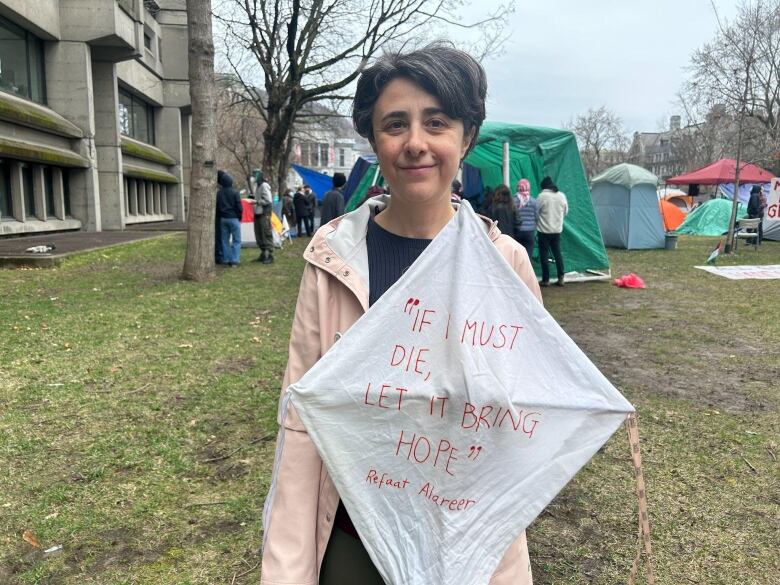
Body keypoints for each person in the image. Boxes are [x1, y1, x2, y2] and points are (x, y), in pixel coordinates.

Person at [261, 43, 539, 585]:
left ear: (466, 137)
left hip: (463, 550)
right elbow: (301, 422)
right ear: (374, 140)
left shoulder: (506, 265)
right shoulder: (333, 258)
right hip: (352, 545)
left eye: (436, 122)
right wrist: (287, 569)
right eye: (396, 124)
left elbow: (520, 428)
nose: (416, 143)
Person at [536, 176, 568, 286]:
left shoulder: (542, 196)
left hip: (543, 231)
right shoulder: (561, 196)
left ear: (543, 186)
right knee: (557, 253)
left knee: (544, 255)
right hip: (557, 230)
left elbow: (536, 212)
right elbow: (565, 211)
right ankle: (561, 277)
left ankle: (546, 279)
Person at [216, 171, 243, 266]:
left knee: (225, 240)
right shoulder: (235, 192)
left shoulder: (218, 193)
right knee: (237, 240)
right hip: (234, 218)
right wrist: (240, 217)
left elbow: (218, 207)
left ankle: (226, 259)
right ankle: (234, 260)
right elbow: (239, 207)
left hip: (223, 219)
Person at [253, 170, 275, 264]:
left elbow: (268, 200)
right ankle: (263, 254)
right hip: (258, 213)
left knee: (266, 233)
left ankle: (269, 255)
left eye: (255, 175)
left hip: (264, 213)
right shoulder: (258, 185)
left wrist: (257, 202)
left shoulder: (264, 185)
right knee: (259, 234)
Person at [514, 178, 539, 258]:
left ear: (518, 187)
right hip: (530, 232)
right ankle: (528, 269)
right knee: (528, 254)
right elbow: (537, 216)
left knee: (518, 255)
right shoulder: (534, 201)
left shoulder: (513, 201)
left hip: (517, 231)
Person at [215, 170, 226, 264]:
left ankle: (219, 255)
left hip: (218, 217)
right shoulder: (220, 192)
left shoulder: (219, 192)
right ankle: (220, 255)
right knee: (221, 237)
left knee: (219, 237)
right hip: (221, 216)